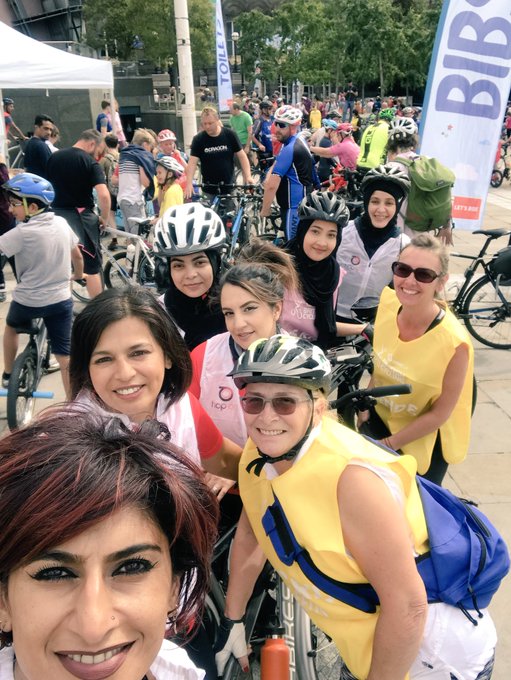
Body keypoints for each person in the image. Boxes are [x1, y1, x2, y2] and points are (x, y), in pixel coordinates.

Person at [215, 334, 497, 680]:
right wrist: (234, 619)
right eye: (254, 401)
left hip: (430, 655)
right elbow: (251, 532)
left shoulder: (352, 479)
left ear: (318, 407)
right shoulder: (259, 452)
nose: (266, 416)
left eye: (285, 402)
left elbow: (408, 606)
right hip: (368, 640)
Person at [0, 408, 218, 680]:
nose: (95, 627)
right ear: (3, 601)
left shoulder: (177, 669)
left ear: (174, 587)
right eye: (54, 573)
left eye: (131, 567)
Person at [70, 285, 241, 484]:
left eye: (138, 353)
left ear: (168, 355)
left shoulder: (181, 407)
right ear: (86, 369)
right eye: (104, 359)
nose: (125, 374)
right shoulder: (66, 444)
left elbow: (224, 461)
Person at [360, 233, 474, 485]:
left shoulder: (455, 344)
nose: (409, 281)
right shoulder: (388, 303)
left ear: (441, 282)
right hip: (382, 417)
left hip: (423, 437)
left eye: (423, 275)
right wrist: (365, 408)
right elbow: (381, 367)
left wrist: (388, 445)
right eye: (402, 269)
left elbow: (440, 413)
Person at [190, 260, 296, 447]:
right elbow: (187, 424)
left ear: (276, 309)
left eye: (249, 309)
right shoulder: (203, 357)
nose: (238, 324)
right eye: (229, 313)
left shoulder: (301, 360)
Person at [0, 173, 84, 398]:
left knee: (11, 328)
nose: (10, 209)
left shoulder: (19, 234)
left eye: (15, 204)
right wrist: (77, 274)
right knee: (65, 355)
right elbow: (77, 256)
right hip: (59, 301)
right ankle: (72, 404)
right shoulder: (62, 223)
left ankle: (8, 374)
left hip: (27, 301)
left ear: (33, 206)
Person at [281, 191, 371, 347]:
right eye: (315, 231)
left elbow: (327, 327)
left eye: (331, 235)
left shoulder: (332, 274)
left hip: (312, 358)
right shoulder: (276, 265)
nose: (322, 243)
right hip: (273, 357)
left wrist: (364, 328)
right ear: (303, 231)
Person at [336, 164, 411, 322]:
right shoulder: (343, 232)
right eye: (375, 201)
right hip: (334, 317)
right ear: (366, 203)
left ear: (397, 206)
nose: (381, 210)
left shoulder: (403, 245)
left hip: (373, 323)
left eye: (389, 203)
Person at [154, 203, 228, 351]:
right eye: (179, 266)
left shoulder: (234, 305)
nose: (190, 275)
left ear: (216, 264)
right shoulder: (160, 313)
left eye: (200, 262)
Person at [47, 129, 110, 300]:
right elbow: (104, 195)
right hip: (81, 218)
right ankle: (98, 311)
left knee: (63, 265)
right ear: (91, 144)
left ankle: (64, 307)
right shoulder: (89, 162)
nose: (98, 156)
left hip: (56, 216)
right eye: (99, 151)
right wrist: (104, 217)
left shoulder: (54, 157)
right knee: (91, 267)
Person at [387, 117, 454, 246]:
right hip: (425, 233)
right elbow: (446, 195)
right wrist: (447, 226)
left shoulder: (391, 168)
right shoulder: (428, 162)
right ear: (414, 140)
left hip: (398, 237)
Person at [260, 105, 315, 241]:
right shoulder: (297, 141)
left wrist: (265, 210)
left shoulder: (290, 148)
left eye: (282, 125)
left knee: (293, 251)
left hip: (293, 208)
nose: (277, 128)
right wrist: (268, 176)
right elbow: (277, 163)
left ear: (293, 126)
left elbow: (272, 186)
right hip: (300, 203)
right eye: (275, 123)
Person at [185, 106, 253, 200]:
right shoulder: (198, 139)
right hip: (209, 188)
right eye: (204, 124)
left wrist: (248, 176)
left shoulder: (229, 134)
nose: (207, 126)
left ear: (217, 120)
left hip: (229, 186)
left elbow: (242, 156)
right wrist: (189, 183)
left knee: (230, 212)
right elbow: (192, 163)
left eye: (210, 123)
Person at [117, 128, 156, 235]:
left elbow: (116, 179)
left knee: (129, 235)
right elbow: (145, 182)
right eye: (150, 147)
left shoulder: (125, 155)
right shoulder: (139, 156)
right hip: (133, 200)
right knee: (138, 235)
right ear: (144, 144)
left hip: (123, 199)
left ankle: (131, 252)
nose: (150, 151)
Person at [356, 108, 394, 173]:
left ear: (379, 118)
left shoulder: (369, 127)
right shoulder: (389, 129)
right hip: (376, 167)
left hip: (360, 163)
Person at [0, 153, 16, 302]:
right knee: (12, 252)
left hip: (4, 215)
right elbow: (7, 185)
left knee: (11, 251)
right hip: (4, 216)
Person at [23, 114, 54, 178]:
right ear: (36, 127)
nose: (49, 132)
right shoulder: (41, 146)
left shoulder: (30, 143)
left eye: (51, 130)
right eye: (46, 128)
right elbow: (51, 170)